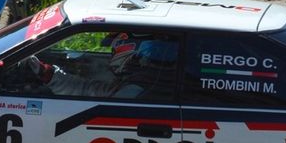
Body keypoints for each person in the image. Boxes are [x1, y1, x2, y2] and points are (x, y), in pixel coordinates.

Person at [23, 32, 178, 99]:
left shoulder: (134, 90)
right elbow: (91, 90)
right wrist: (49, 74)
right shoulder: (144, 80)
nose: (112, 54)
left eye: (114, 49)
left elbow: (92, 95)